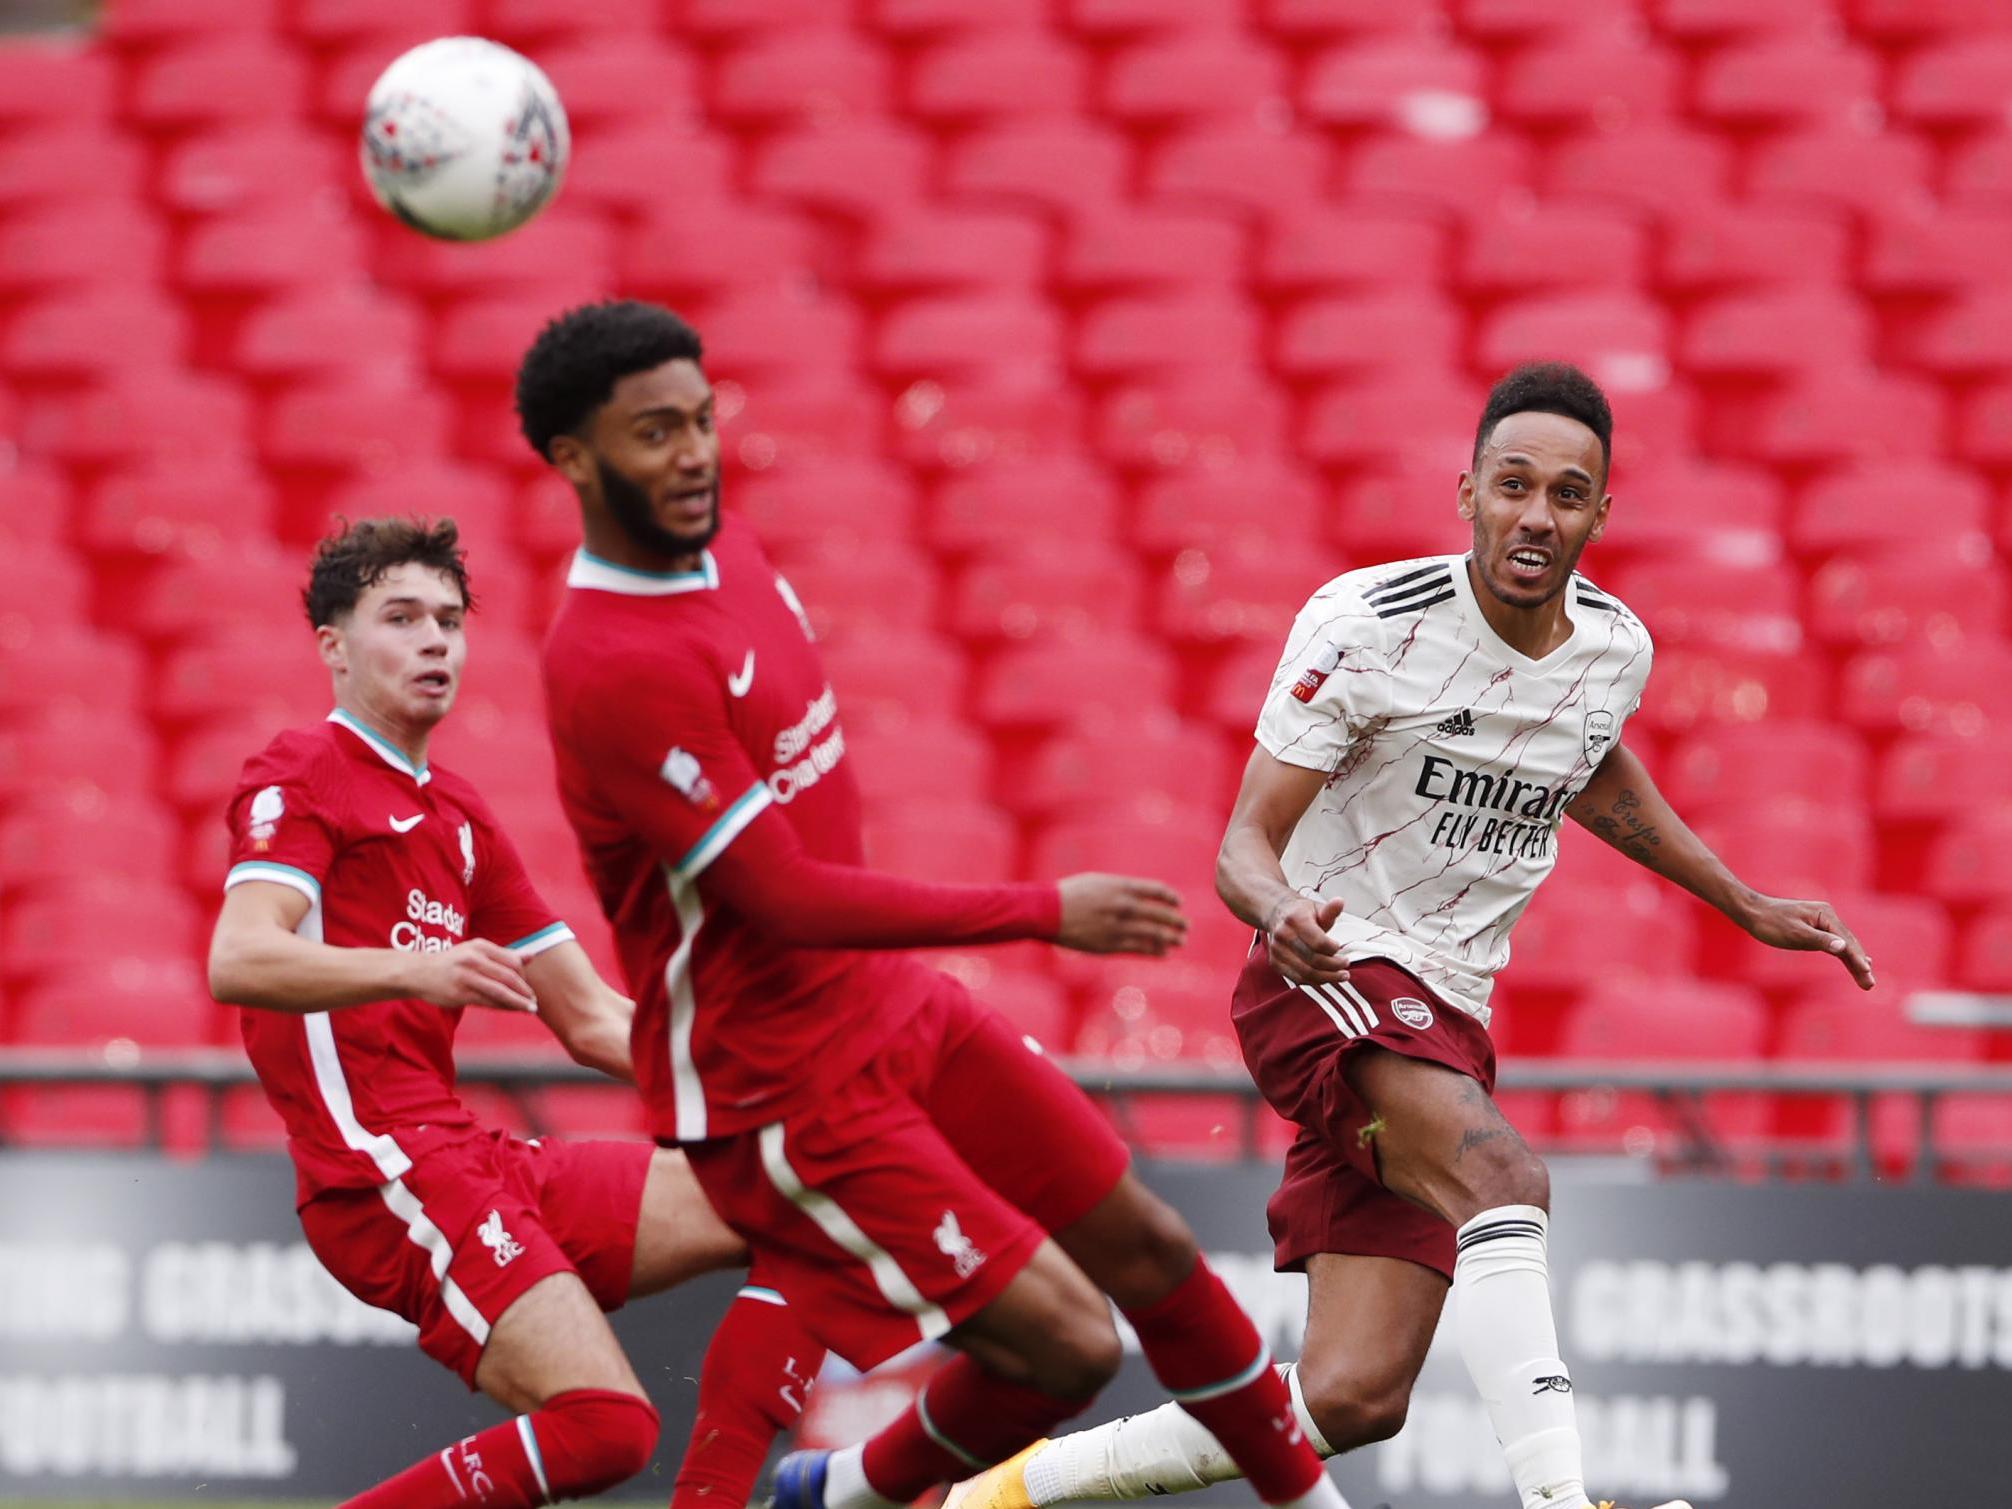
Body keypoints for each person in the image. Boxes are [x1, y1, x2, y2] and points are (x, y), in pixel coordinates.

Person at [937, 362, 1875, 1509]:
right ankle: (1558, 1503)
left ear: (1598, 514)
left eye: (1566, 494)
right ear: (1466, 491)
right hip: (1325, 974)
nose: (1535, 515)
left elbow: (1583, 763)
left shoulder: (1611, 649)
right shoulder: (1361, 626)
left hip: (1444, 1018)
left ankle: (1007, 1493)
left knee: (1350, 1397)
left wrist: (1739, 901)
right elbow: (1241, 842)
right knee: (1502, 1174)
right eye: (1512, 485)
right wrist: (1280, 912)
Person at [523, 299, 1351, 1509]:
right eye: (655, 433)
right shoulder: (611, 665)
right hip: (778, 1086)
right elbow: (782, 896)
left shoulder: (731, 550)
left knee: (1154, 1255)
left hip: (885, 1009)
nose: (694, 452)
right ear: (573, 459)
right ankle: (841, 1496)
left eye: (701, 420)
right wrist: (1040, 908)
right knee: (1065, 1348)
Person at [207, 517, 824, 1509]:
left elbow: (585, 1018)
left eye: (449, 620)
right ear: (332, 645)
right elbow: (240, 957)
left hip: (468, 1154)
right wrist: (410, 973)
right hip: (381, 1171)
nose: (434, 641)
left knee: (804, 1193)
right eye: (400, 618)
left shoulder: (457, 815)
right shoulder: (300, 774)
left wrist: (762, 1079)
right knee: (609, 1426)